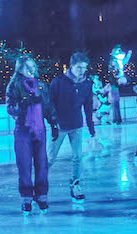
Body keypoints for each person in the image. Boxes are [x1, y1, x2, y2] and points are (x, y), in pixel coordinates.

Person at [6, 56, 59, 213]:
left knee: (42, 165)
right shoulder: (14, 86)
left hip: (40, 130)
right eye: (27, 67)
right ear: (20, 69)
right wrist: (23, 103)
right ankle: (26, 198)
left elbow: (48, 106)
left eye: (33, 67)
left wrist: (53, 123)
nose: (31, 70)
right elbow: (10, 108)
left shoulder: (41, 86)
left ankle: (42, 196)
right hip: (23, 130)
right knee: (24, 165)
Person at [49, 52, 96, 201]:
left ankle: (75, 184)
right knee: (50, 158)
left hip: (76, 125)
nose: (82, 71)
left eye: (84, 68)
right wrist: (53, 124)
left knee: (78, 157)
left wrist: (91, 127)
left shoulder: (87, 84)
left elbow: (88, 107)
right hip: (60, 126)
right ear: (71, 65)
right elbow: (50, 104)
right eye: (79, 67)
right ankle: (39, 183)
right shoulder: (58, 82)